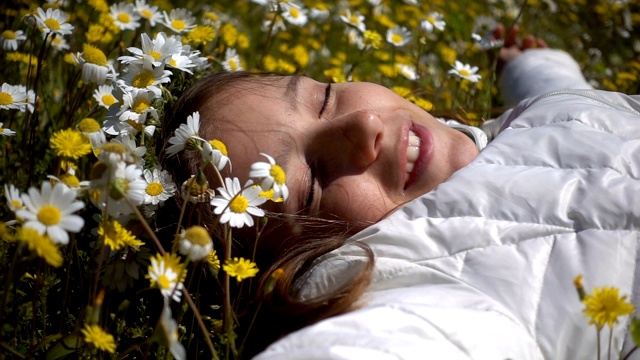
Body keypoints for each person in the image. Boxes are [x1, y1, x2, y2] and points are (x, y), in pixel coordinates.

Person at [160, 25, 640, 359]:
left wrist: (530, 64)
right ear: (304, 266)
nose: (363, 123)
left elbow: (567, 97)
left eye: (324, 97)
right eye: (311, 183)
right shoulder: (424, 282)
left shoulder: (521, 122)